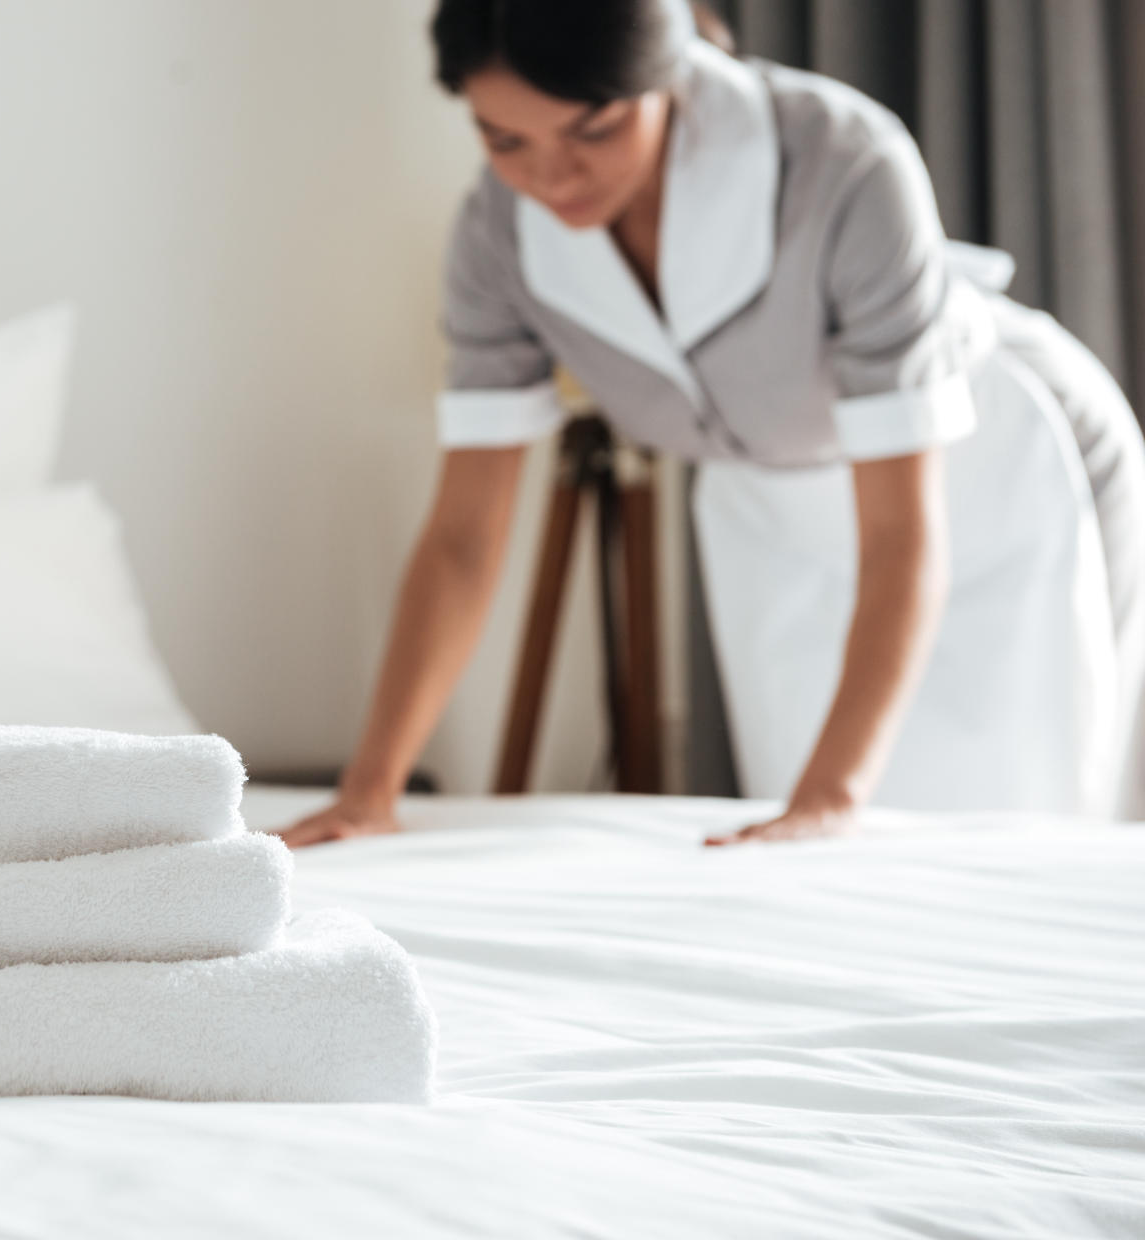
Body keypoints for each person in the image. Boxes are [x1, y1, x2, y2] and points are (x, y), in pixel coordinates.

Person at [285, 0, 1145, 848]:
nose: (553, 177)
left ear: (670, 77)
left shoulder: (842, 164)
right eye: (505, 139)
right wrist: (370, 793)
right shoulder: (495, 238)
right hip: (768, 493)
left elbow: (900, 533)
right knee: (804, 828)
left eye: (593, 131)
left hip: (985, 470)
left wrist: (831, 795)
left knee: (1007, 802)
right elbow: (464, 536)